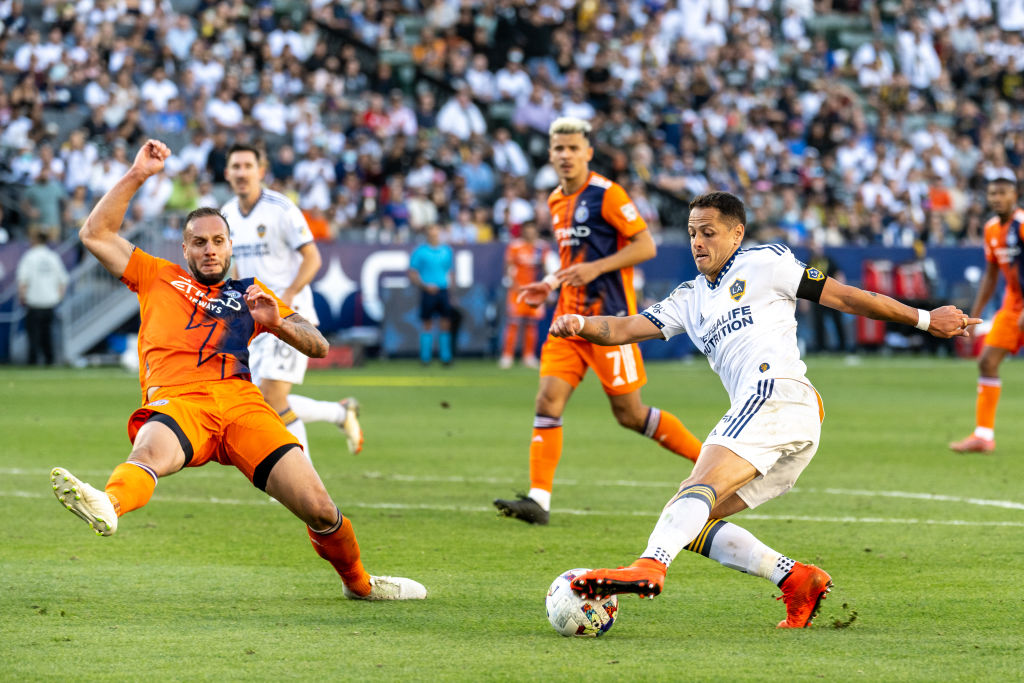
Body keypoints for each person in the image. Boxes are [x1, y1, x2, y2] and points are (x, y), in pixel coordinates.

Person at [554, 192, 974, 627]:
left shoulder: (766, 263)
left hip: (775, 393)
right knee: (690, 519)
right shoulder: (689, 298)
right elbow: (623, 327)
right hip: (789, 422)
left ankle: (649, 565)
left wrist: (924, 319)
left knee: (691, 495)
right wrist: (580, 325)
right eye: (693, 233)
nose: (698, 242)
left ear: (737, 234)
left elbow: (845, 297)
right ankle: (795, 578)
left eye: (709, 233)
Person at [50, 140, 425, 601]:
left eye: (218, 241)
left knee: (322, 509)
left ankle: (361, 585)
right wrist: (137, 174)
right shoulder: (158, 276)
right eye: (200, 242)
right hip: (180, 402)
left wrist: (277, 324)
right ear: (185, 248)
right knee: (148, 455)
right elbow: (95, 234)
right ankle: (107, 503)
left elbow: (320, 345)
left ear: (231, 246)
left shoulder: (251, 292)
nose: (210, 250)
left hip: (243, 406)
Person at [493, 117, 703, 526]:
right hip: (567, 321)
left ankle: (709, 462)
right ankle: (538, 500)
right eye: (559, 149)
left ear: (588, 152)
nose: (566, 155)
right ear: (550, 154)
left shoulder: (608, 194)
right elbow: (574, 261)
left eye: (573, 148)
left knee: (630, 414)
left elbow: (646, 246)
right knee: (547, 401)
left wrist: (595, 269)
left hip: (609, 325)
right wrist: (550, 282)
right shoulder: (555, 200)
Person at [221, 143, 363, 458]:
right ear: (227, 173)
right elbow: (237, 268)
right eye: (236, 167)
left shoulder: (281, 208)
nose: (242, 173)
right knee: (261, 399)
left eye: (247, 166)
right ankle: (340, 414)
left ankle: (307, 488)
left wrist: (284, 298)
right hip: (256, 322)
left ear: (261, 170)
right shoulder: (227, 214)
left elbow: (312, 259)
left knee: (272, 396)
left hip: (290, 316)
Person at [950, 176, 1024, 453]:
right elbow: (992, 274)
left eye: (1003, 193)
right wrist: (974, 315)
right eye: (993, 193)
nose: (996, 198)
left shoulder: (1022, 224)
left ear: (1014, 195)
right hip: (1013, 304)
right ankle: (983, 436)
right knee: (987, 361)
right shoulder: (992, 229)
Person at [499, 221, 554, 369]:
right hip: (517, 291)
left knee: (532, 323)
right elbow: (508, 266)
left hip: (535, 292)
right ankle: (507, 355)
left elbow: (547, 268)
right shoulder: (515, 246)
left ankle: (528, 356)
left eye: (532, 230)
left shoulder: (541, 247)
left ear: (536, 231)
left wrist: (548, 289)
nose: (530, 233)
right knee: (513, 322)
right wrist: (510, 282)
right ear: (523, 231)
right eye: (527, 230)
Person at [16, 229, 69, 365]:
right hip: (50, 303)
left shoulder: (29, 256)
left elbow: (22, 281)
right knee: (47, 335)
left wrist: (22, 297)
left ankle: (33, 361)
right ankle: (49, 360)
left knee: (33, 335)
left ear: (34, 240)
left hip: (34, 302)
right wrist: (58, 298)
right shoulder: (53, 257)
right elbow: (63, 281)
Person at [408, 223, 455, 366]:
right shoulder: (420, 251)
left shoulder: (447, 251)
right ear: (427, 234)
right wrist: (425, 285)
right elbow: (413, 273)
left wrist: (450, 289)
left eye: (436, 231)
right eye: (431, 232)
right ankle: (425, 357)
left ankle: (446, 357)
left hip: (443, 290)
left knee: (445, 322)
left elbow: (450, 272)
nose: (434, 234)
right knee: (427, 323)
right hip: (427, 291)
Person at [805, 238, 847, 352]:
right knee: (818, 323)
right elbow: (805, 283)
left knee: (837, 320)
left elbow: (838, 274)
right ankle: (821, 347)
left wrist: (841, 291)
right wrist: (805, 301)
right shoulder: (810, 262)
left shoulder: (828, 260)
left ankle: (843, 346)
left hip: (831, 295)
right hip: (817, 297)